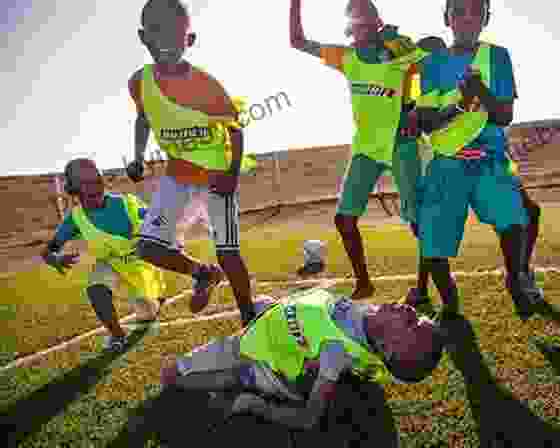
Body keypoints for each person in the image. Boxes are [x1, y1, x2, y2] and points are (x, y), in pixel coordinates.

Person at [410, 0, 544, 321]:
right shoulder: (432, 64)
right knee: (433, 241)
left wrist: (479, 89)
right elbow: (425, 121)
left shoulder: (497, 56)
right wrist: (458, 106)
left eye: (475, 12)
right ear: (447, 17)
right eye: (458, 11)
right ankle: (451, 302)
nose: (467, 19)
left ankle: (516, 279)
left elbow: (503, 116)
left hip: (489, 158)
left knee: (516, 221)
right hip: (447, 162)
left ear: (486, 18)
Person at [126, 0, 257, 324]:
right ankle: (202, 273)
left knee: (228, 253)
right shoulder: (139, 83)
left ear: (190, 39)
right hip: (177, 177)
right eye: (157, 32)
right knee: (148, 249)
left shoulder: (206, 85)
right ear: (144, 38)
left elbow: (235, 129)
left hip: (216, 178)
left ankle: (249, 319)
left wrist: (231, 174)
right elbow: (144, 117)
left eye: (175, 34)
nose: (167, 41)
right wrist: (139, 156)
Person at [289, 0, 428, 300]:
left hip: (400, 143)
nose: (362, 23)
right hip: (366, 147)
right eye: (357, 19)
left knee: (419, 222)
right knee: (344, 219)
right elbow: (297, 41)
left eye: (368, 17)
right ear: (350, 26)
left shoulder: (396, 49)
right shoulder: (347, 56)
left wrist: (416, 111)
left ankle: (423, 288)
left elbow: (429, 69)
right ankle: (364, 283)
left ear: (377, 22)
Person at [159, 287, 445, 430]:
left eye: (412, 325)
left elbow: (310, 417)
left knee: (170, 376)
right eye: (418, 316)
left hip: (259, 359)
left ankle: (236, 388)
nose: (410, 311)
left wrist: (258, 407)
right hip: (268, 328)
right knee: (259, 303)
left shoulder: (338, 353)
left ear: (390, 349)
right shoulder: (371, 320)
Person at [41, 158, 166, 351]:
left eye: (97, 180)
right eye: (86, 183)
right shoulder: (76, 218)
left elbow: (157, 218)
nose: (95, 187)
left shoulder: (125, 203)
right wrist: (55, 259)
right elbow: (47, 251)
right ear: (74, 189)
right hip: (111, 265)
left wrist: (160, 222)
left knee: (148, 313)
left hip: (141, 266)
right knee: (95, 287)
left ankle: (154, 298)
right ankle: (117, 336)